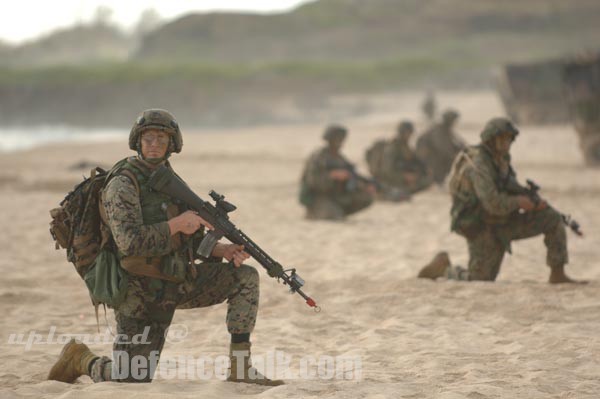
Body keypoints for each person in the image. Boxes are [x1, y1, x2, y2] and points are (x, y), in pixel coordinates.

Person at [48, 109, 283, 385]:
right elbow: (129, 242)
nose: (155, 144)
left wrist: (220, 250)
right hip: (139, 293)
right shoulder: (123, 183)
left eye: (162, 138)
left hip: (175, 280)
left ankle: (241, 368)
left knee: (245, 279)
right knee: (130, 379)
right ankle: (80, 358)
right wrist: (177, 224)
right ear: (138, 141)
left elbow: (186, 237)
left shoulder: (168, 179)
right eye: (148, 138)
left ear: (173, 144)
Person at [418, 117, 580, 283]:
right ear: (491, 139)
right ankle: (443, 269)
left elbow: (509, 185)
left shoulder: (500, 159)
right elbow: (492, 202)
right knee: (480, 279)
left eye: (509, 139)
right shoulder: (479, 164)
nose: (506, 143)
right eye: (502, 138)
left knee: (551, 217)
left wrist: (532, 201)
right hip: (479, 225)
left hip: (502, 220)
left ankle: (557, 274)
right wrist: (520, 201)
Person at [300, 124, 375, 220]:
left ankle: (337, 210)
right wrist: (332, 176)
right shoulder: (319, 157)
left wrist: (366, 185)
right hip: (319, 197)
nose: (342, 142)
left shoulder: (339, 157)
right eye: (339, 139)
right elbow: (312, 181)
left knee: (366, 197)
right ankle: (316, 212)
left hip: (336, 195)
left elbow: (352, 175)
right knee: (333, 216)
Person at [378, 120, 432, 195]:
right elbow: (387, 171)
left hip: (406, 177)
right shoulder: (392, 148)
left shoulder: (405, 146)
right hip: (393, 180)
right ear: (402, 133)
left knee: (427, 181)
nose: (410, 135)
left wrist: (425, 168)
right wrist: (404, 176)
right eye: (408, 133)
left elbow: (415, 160)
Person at [415, 109, 466, 185]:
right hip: (429, 157)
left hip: (434, 155)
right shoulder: (438, 129)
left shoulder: (446, 130)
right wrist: (453, 154)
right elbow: (441, 146)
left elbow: (457, 142)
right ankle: (437, 180)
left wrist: (463, 149)